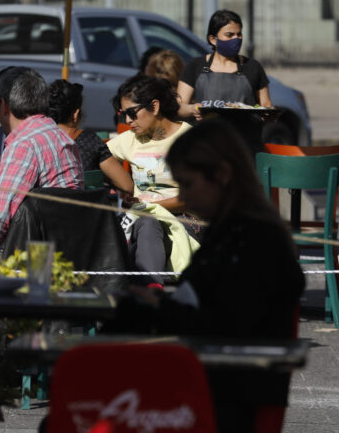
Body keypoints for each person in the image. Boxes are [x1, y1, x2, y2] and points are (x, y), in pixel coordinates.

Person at [104, 119, 305, 432]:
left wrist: (159, 308)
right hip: (205, 381)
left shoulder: (255, 242)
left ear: (222, 175)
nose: (184, 196)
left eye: (188, 184)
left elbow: (227, 322)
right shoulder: (227, 233)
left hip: (224, 397)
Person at [107, 75, 194, 285]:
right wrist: (122, 187)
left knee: (147, 222)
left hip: (184, 223)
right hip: (142, 224)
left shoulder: (190, 140)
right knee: (145, 224)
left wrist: (149, 206)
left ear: (154, 107)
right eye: (123, 114)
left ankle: (150, 294)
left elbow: (191, 199)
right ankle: (151, 290)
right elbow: (97, 156)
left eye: (131, 113)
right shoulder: (130, 140)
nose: (127, 121)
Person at [0, 69, 83, 242]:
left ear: (4, 106)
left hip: (36, 256)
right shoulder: (63, 138)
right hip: (72, 249)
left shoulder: (24, 145)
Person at [177, 9, 272, 119]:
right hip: (206, 134)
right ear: (213, 40)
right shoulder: (195, 66)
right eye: (229, 35)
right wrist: (193, 109)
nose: (236, 39)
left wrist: (269, 114)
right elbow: (179, 107)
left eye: (239, 34)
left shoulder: (253, 67)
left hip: (244, 134)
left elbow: (266, 105)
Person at [46, 79, 133, 194]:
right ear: (76, 114)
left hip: (43, 209)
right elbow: (127, 186)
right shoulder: (89, 141)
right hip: (82, 210)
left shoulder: (36, 141)